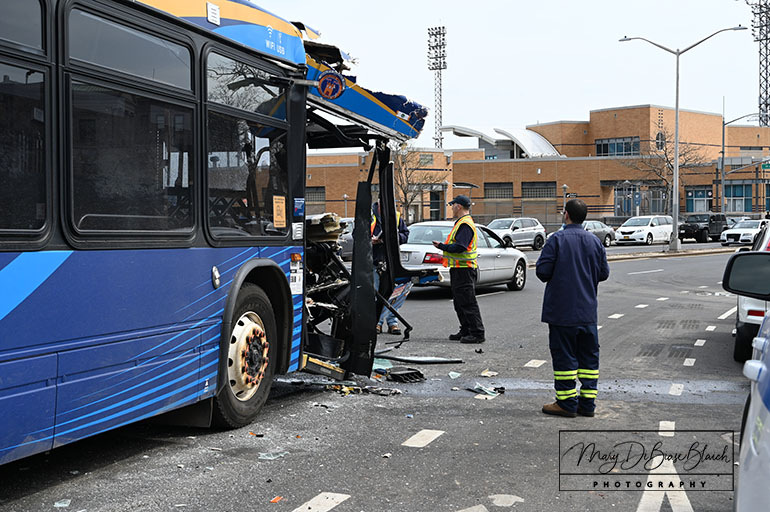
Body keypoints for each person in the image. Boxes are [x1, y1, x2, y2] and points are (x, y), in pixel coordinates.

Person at [536, 198, 610, 418]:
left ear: (566, 215)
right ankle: (587, 404)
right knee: (589, 359)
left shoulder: (556, 240)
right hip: (587, 312)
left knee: (564, 357)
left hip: (562, 312)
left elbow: (542, 272)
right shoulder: (595, 241)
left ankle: (566, 403)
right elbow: (604, 273)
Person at [432, 194, 485, 344]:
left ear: (458, 206)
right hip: (459, 269)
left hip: (464, 270)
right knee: (460, 302)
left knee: (467, 302)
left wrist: (442, 246)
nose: (452, 208)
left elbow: (461, 246)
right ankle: (466, 330)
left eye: (453, 205)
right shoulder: (462, 222)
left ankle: (477, 333)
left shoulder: (465, 224)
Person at [371, 201, 410, 334]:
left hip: (391, 262)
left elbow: (405, 235)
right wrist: (371, 240)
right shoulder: (370, 217)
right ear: (378, 205)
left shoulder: (396, 217)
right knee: (377, 294)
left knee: (394, 294)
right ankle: (377, 322)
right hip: (374, 260)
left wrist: (391, 238)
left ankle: (392, 322)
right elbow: (357, 236)